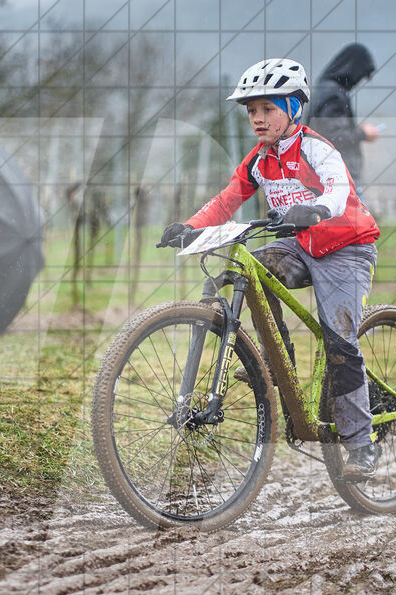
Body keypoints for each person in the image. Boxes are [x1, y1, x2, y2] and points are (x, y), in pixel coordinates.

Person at [157, 58, 382, 481]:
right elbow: (227, 200)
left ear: (294, 108)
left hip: (347, 247)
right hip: (301, 246)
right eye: (251, 111)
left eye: (268, 109)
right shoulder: (259, 160)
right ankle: (279, 357)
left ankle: (362, 444)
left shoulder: (316, 148)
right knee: (255, 267)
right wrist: (188, 227)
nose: (257, 119)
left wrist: (314, 208)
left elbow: (338, 190)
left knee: (339, 343)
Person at [306, 43, 380, 195]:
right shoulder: (333, 94)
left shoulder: (325, 89)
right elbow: (334, 136)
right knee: (356, 218)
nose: (360, 80)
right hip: (339, 177)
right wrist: (363, 133)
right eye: (362, 75)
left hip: (328, 174)